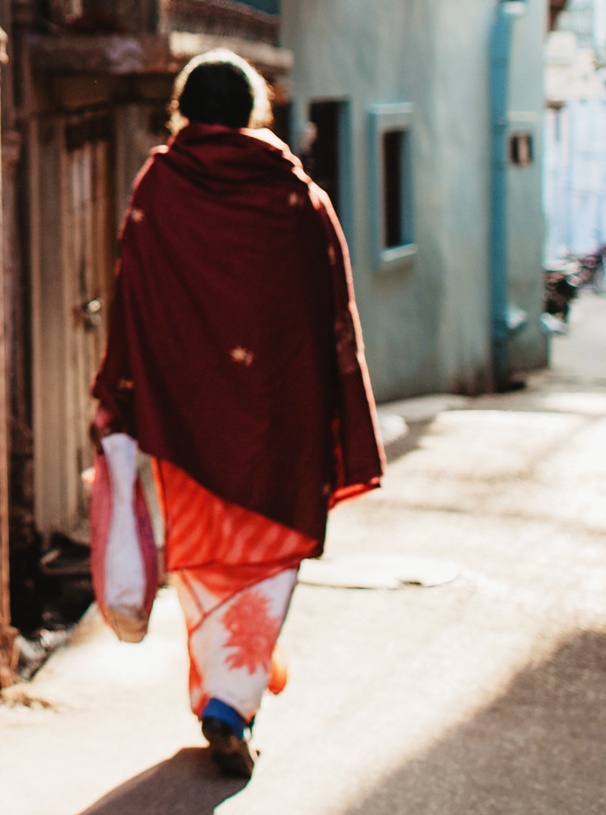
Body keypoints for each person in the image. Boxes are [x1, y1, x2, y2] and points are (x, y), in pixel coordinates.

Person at [89, 51, 385, 778]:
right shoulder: (294, 194)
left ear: (184, 106)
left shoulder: (159, 185)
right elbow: (329, 309)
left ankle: (223, 692)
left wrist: (125, 390)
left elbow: (132, 292)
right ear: (253, 107)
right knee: (269, 557)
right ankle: (232, 699)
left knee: (203, 561)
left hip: (187, 418)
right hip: (280, 419)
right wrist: (335, 405)